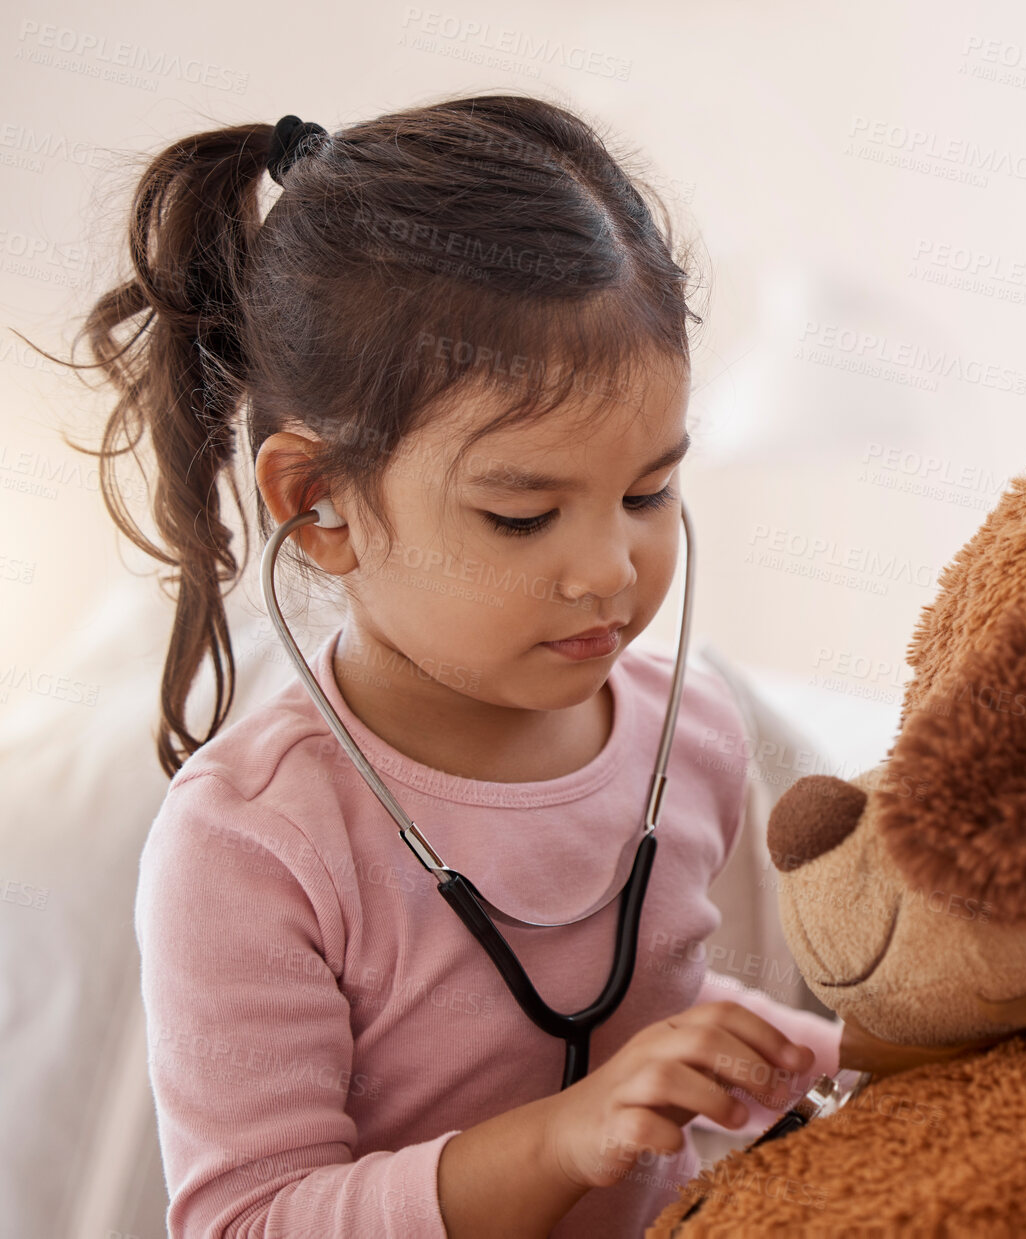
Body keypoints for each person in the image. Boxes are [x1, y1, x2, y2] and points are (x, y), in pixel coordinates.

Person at [72, 92, 842, 1237]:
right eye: (522, 517)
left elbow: (678, 1011)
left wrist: (859, 1042)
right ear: (319, 504)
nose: (608, 571)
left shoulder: (700, 732)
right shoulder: (250, 844)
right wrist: (565, 1138)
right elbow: (249, 1220)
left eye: (648, 493)